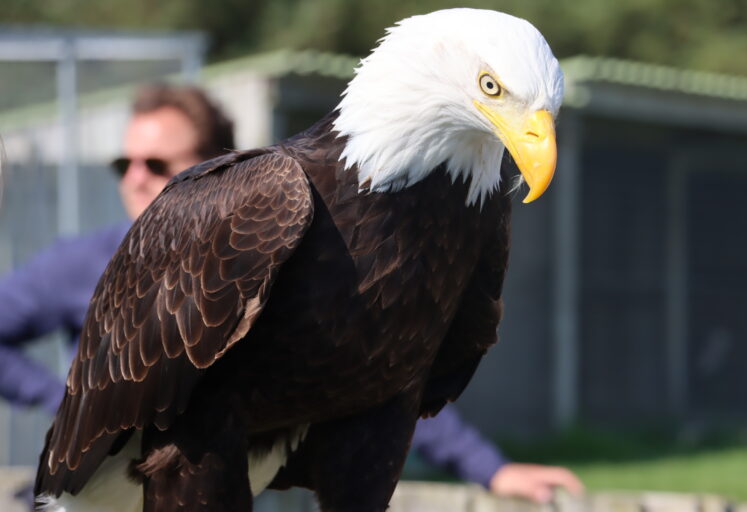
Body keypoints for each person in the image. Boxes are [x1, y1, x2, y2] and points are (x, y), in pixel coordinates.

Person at [0, 83, 582, 504]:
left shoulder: (312, 222)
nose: (135, 177)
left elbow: (385, 375)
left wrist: (490, 469)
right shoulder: (80, 260)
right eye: (121, 162)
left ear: (215, 164)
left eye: (157, 162)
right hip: (135, 466)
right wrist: (72, 405)